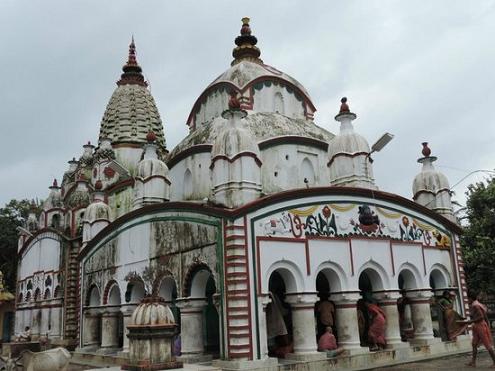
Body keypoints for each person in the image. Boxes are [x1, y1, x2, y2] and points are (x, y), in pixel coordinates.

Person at [465, 292, 495, 368]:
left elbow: (481, 317)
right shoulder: (477, 304)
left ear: (471, 298)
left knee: (487, 345)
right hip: (478, 326)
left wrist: (470, 321)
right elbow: (484, 315)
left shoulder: (475, 305)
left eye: (468, 299)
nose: (467, 300)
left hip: (480, 326)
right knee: (474, 344)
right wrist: (487, 323)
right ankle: (473, 362)